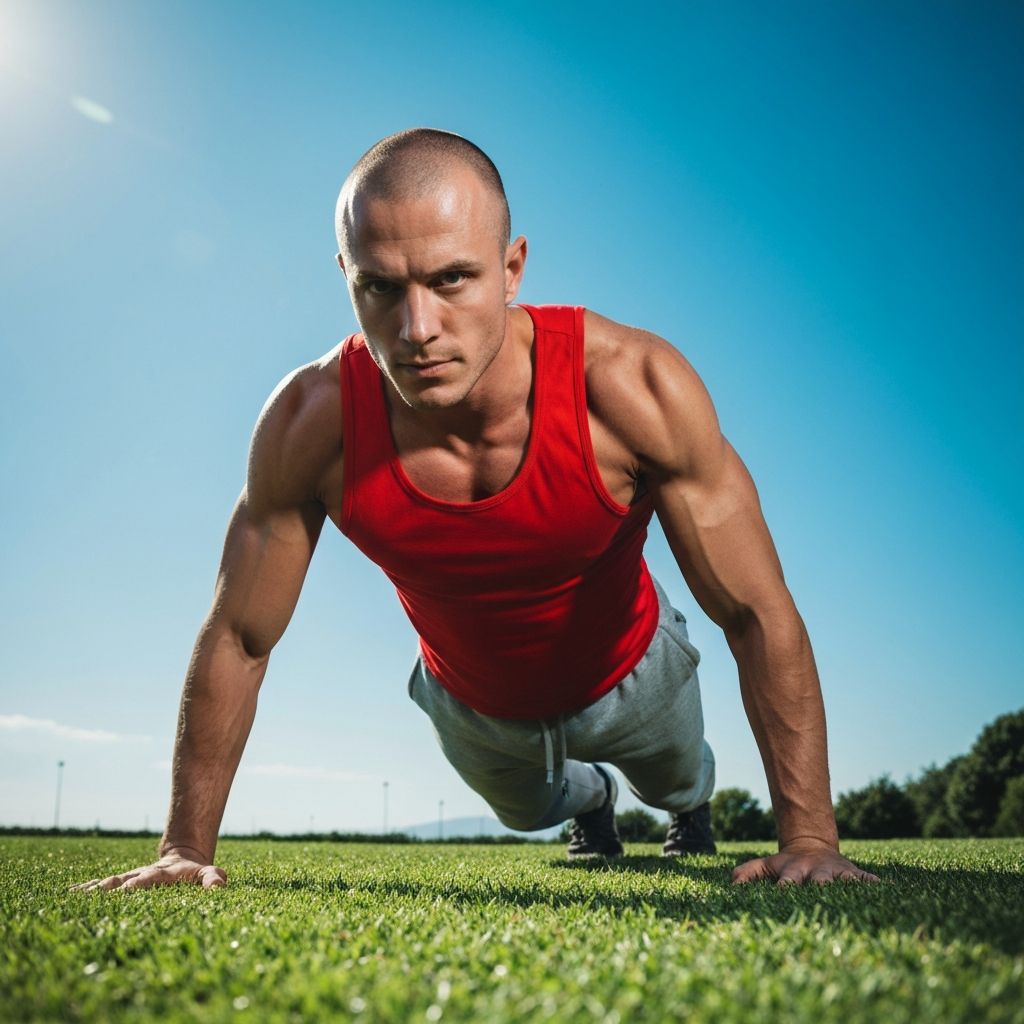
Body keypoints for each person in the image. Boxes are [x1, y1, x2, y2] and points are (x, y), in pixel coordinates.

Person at [71, 128, 879, 893]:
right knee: (530, 809)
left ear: (512, 267)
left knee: (679, 778)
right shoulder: (309, 424)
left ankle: (685, 805)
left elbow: (755, 610)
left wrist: (810, 839)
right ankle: (593, 801)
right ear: (346, 277)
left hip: (634, 668)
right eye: (380, 288)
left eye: (451, 279)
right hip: (474, 703)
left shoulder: (633, 386)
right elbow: (240, 638)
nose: (417, 329)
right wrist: (183, 850)